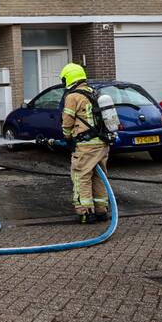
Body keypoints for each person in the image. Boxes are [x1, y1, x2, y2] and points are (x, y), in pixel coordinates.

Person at [59, 63, 111, 223]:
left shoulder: (72, 97)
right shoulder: (94, 92)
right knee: (99, 177)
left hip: (85, 145)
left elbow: (67, 121)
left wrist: (67, 137)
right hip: (102, 143)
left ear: (68, 78)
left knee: (81, 176)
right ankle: (101, 211)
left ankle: (85, 213)